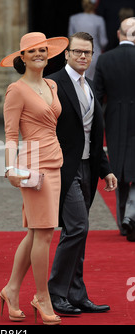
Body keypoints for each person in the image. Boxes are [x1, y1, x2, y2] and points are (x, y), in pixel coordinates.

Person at [0, 32, 68, 324]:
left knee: (36, 231)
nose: (40, 54)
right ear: (22, 57)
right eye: (33, 51)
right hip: (34, 167)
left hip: (55, 161)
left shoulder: (51, 84)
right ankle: (42, 296)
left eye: (43, 50)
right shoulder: (16, 89)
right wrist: (10, 168)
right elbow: (10, 135)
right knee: (45, 232)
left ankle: (11, 289)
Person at [46, 32, 117, 315]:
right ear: (66, 54)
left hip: (88, 166)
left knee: (77, 232)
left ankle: (76, 294)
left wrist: (105, 169)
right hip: (64, 167)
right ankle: (55, 294)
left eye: (88, 53)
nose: (83, 57)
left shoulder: (88, 85)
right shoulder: (53, 83)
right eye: (77, 52)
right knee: (77, 227)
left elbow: (93, 132)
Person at [94, 18, 135, 242]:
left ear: (119, 34)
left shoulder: (105, 59)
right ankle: (132, 216)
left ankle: (123, 223)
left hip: (115, 120)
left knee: (118, 172)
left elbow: (97, 97)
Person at [68, 0, 108, 79]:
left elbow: (70, 38)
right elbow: (103, 42)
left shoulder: (74, 18)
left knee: (77, 80)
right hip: (94, 54)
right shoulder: (99, 19)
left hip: (76, 54)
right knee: (92, 82)